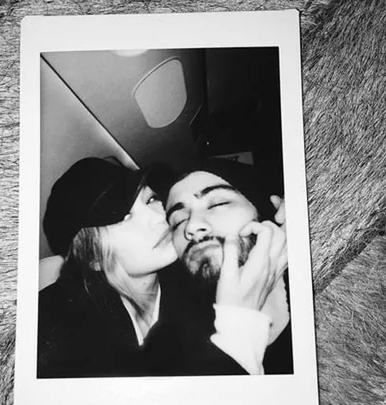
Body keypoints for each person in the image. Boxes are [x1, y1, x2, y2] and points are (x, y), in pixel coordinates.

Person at [37, 157, 286, 378]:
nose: (160, 217)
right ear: (93, 257)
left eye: (152, 199)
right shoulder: (52, 320)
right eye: (123, 216)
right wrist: (237, 333)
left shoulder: (198, 275)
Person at [165, 158, 293, 374]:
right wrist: (237, 327)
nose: (192, 227)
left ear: (265, 210)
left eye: (217, 204)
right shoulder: (174, 352)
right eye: (177, 221)